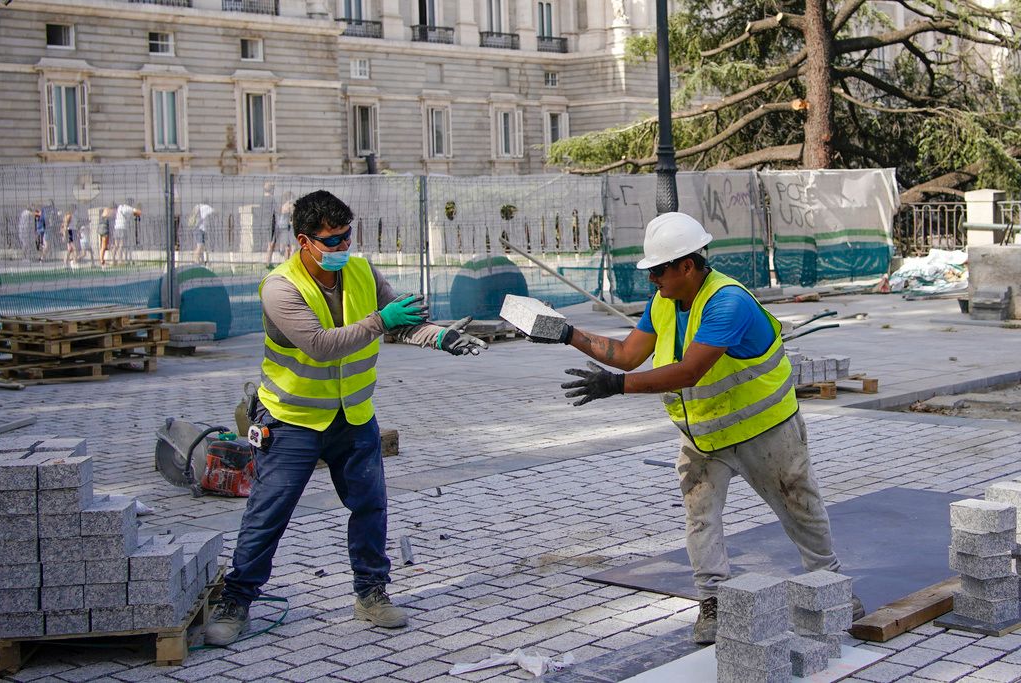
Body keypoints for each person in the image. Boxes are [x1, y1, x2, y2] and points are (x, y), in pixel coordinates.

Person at [519, 212, 863, 645]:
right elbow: (627, 354)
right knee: (701, 517)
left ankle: (830, 584)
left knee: (799, 506)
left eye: (658, 270)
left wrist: (616, 386)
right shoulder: (664, 302)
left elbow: (689, 371)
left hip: (765, 431)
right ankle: (713, 601)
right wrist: (567, 333)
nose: (652, 280)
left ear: (687, 265)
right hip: (705, 436)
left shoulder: (727, 302)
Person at [204, 190, 489, 646]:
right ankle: (236, 600)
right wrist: (381, 320)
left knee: (370, 505)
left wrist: (440, 338)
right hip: (292, 420)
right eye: (332, 240)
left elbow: (399, 321)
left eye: (347, 235)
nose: (343, 246)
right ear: (304, 241)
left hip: (353, 416)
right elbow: (321, 345)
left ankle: (371, 593)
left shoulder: (361, 271)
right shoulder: (280, 287)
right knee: (269, 512)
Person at [265, 190, 296, 268]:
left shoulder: (283, 205)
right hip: (281, 228)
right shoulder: (288, 206)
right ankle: (284, 264)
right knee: (286, 247)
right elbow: (290, 214)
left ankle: (269, 263)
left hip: (279, 227)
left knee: (282, 247)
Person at [112, 200, 141, 265]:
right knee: (121, 245)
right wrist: (138, 208)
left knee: (116, 245)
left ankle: (113, 260)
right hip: (122, 227)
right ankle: (120, 260)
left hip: (116, 227)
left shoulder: (120, 207)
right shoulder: (128, 208)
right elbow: (138, 212)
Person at [189, 200, 214, 264]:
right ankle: (195, 261)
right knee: (200, 246)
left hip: (198, 229)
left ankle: (199, 261)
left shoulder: (198, 207)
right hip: (200, 230)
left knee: (201, 246)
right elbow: (214, 211)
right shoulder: (206, 207)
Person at [98, 203, 113, 267]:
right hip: (104, 228)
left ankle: (102, 259)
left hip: (100, 228)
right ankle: (102, 260)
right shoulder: (110, 211)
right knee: (104, 246)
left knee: (103, 246)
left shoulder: (105, 210)